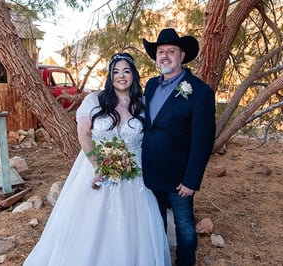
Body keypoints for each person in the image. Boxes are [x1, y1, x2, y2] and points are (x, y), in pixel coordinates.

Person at [24, 53, 171, 266]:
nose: (121, 76)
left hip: (135, 176)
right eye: (116, 72)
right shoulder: (93, 100)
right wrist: (99, 165)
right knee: (89, 225)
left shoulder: (144, 103)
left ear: (134, 75)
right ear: (110, 76)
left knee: (134, 226)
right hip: (96, 169)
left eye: (127, 71)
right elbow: (84, 134)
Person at [141, 28, 216, 266]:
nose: (164, 56)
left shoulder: (200, 91)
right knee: (156, 221)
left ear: (182, 56)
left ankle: (185, 261)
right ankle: (161, 259)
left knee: (183, 223)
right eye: (160, 51)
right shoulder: (151, 85)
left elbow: (203, 140)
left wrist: (191, 180)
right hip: (151, 172)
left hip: (179, 177)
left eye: (170, 51)